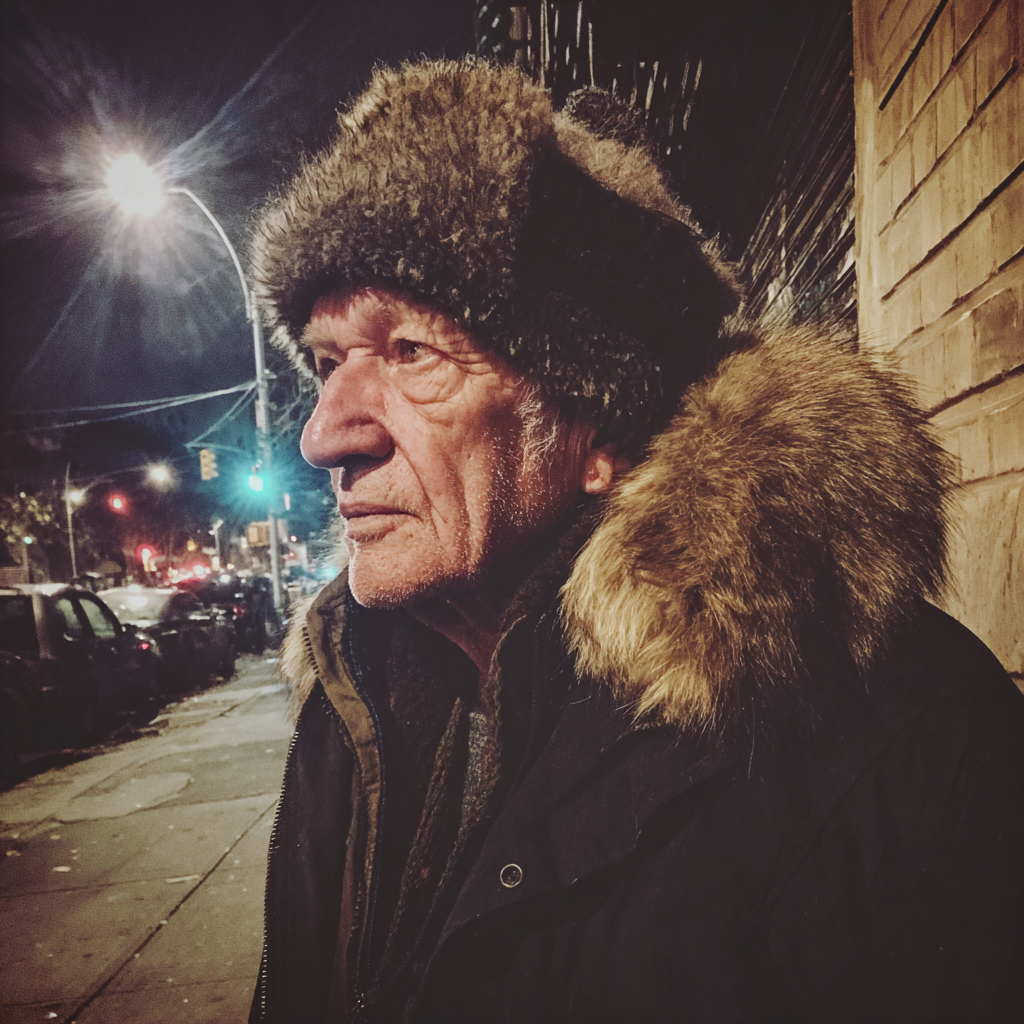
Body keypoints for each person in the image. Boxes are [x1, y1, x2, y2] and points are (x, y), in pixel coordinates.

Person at [247, 59, 1023, 1024]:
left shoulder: (912, 740)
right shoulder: (349, 696)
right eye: (327, 361)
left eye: (411, 352)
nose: (324, 434)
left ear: (598, 429)